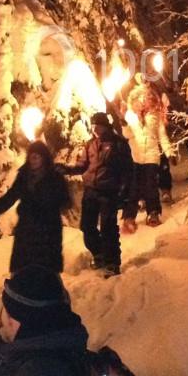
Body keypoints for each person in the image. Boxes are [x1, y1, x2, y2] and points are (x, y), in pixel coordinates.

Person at [0, 141, 72, 273]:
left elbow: (65, 201)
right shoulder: (24, 176)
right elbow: (10, 197)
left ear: (44, 158)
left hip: (47, 231)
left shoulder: (55, 177)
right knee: (23, 269)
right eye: (31, 156)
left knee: (46, 271)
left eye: (36, 157)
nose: (33, 160)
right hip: (27, 229)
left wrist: (50, 201)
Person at [61, 112, 133, 276]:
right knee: (87, 226)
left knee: (108, 228)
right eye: (93, 126)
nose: (95, 130)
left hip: (109, 191)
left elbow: (128, 170)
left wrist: (125, 191)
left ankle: (112, 262)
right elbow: (82, 165)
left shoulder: (118, 144)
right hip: (91, 191)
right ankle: (99, 253)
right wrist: (66, 169)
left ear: (105, 126)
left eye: (98, 126)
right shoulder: (91, 144)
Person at [123, 106, 173, 232]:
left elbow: (162, 136)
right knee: (134, 186)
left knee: (151, 185)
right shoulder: (130, 114)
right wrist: (124, 123)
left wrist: (169, 152)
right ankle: (129, 216)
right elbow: (127, 135)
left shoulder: (155, 116)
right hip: (136, 155)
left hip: (152, 155)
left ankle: (153, 212)